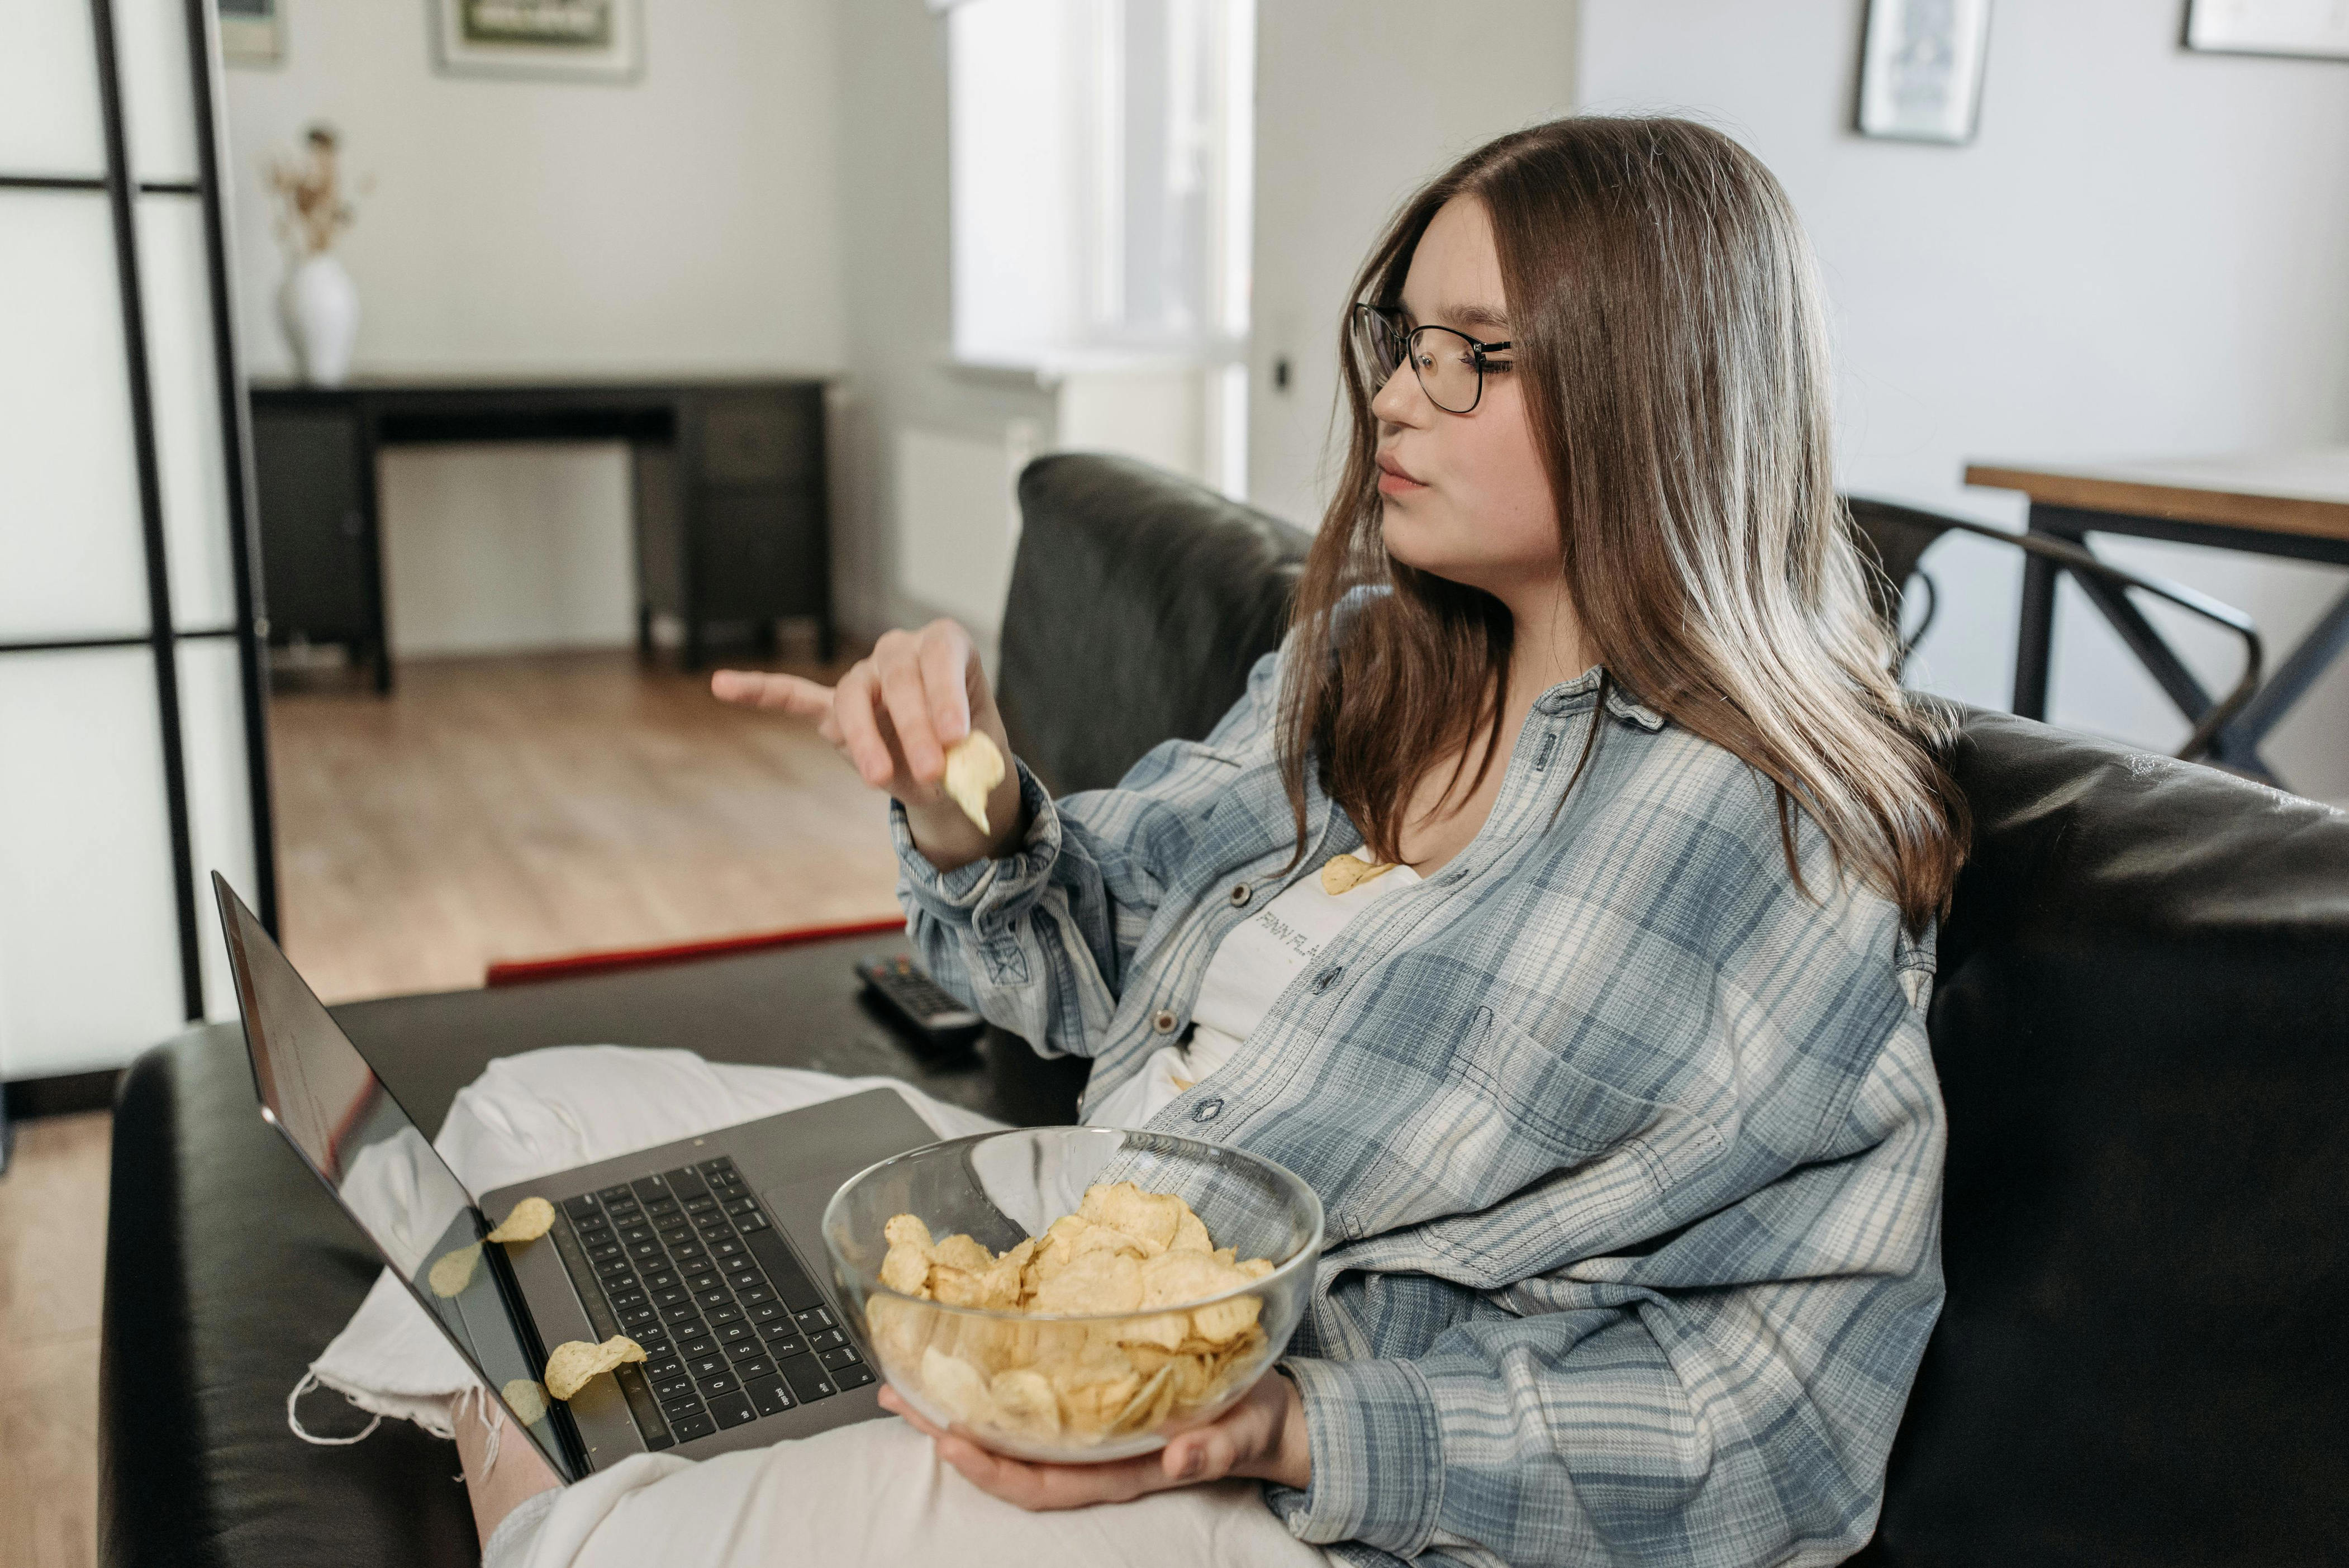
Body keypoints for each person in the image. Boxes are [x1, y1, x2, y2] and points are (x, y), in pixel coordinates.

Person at [456, 114, 1964, 1568]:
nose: (1389, 398)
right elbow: (1086, 950)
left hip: (1256, 1470)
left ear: (1663, 392)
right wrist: (964, 811)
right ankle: (635, 1479)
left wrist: (1297, 1430)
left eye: (1470, 358)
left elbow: (1784, 1427)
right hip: (1056, 1240)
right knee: (514, 1123)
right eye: (1400, 339)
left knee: (640, 1516)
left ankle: (615, 1501)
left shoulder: (1782, 842)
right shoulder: (1362, 658)